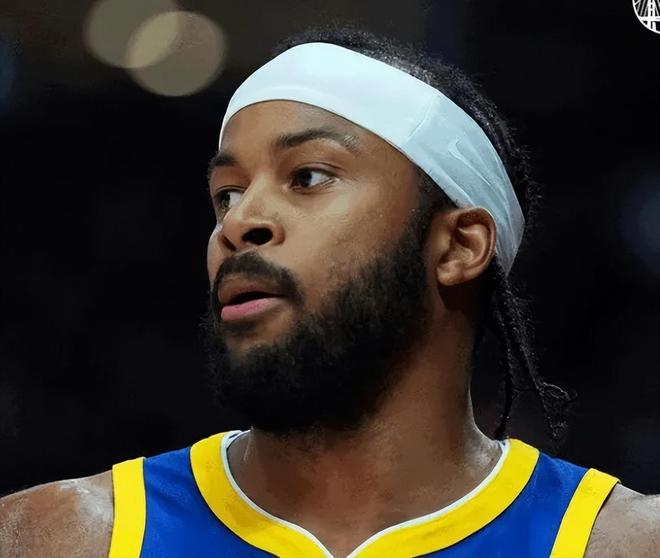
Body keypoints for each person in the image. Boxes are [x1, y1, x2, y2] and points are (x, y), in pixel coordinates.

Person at [1, 26, 658, 558]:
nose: (239, 221)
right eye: (226, 193)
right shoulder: (56, 538)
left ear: (459, 247)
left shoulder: (623, 544)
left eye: (308, 176)